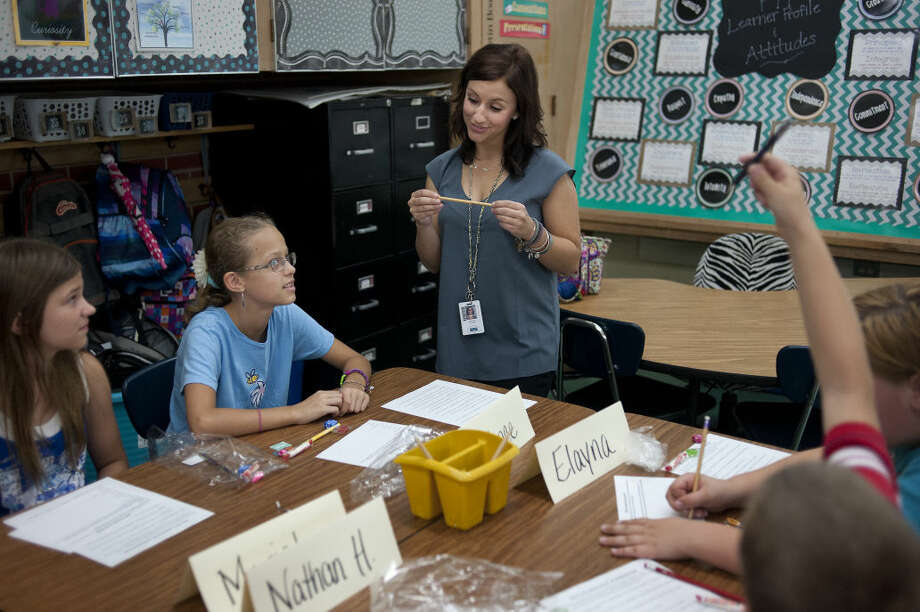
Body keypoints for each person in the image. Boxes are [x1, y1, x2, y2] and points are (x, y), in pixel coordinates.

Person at [599, 153, 911, 575]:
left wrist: (693, 537)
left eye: (863, 376)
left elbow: (809, 562)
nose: (848, 385)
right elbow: (836, 447)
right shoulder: (898, 436)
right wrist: (729, 491)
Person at [407, 43, 581, 397]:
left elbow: (572, 260)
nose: (478, 115)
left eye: (495, 107)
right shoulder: (441, 170)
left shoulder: (549, 172)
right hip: (459, 348)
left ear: (518, 111)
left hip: (524, 351)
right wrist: (424, 224)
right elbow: (435, 262)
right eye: (473, 100)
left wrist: (533, 233)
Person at [168, 214, 372, 435]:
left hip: (258, 448)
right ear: (236, 281)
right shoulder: (205, 333)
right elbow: (203, 422)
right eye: (274, 263)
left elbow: (355, 360)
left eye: (287, 258)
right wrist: (297, 412)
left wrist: (354, 384)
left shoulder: (284, 314)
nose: (290, 269)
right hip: (195, 463)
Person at [0, 239, 128, 515]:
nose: (89, 308)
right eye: (72, 299)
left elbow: (113, 463)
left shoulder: (86, 372)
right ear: (21, 321)